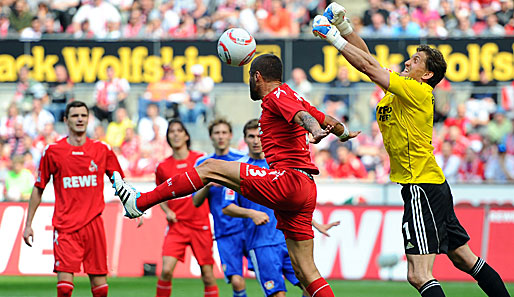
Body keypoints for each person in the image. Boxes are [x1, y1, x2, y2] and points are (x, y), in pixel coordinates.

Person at [112, 54, 360, 297]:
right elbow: (327, 119)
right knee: (306, 272)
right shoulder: (294, 96)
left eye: (250, 78)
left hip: (287, 180)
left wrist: (314, 131)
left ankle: (139, 202)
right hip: (306, 187)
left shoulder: (277, 95)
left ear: (257, 76)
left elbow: (305, 119)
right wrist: (344, 133)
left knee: (210, 166)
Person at [313, 3, 511, 297]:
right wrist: (345, 28)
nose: (408, 62)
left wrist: (333, 38)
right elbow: (369, 63)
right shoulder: (404, 90)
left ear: (427, 75)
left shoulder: (417, 91)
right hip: (431, 185)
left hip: (422, 187)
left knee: (418, 275)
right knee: (464, 259)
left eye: (416, 60)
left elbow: (368, 66)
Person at [221, 119, 339, 297]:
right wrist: (252, 213)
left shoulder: (278, 165)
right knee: (278, 295)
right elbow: (227, 207)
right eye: (251, 136)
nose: (255, 140)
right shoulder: (238, 169)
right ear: (244, 139)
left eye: (259, 136)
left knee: (310, 287)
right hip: (262, 244)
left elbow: (293, 203)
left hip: (287, 239)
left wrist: (315, 223)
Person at [23, 101, 124, 297]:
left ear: (88, 119)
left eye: (83, 116)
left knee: (101, 289)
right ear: (66, 120)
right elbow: (38, 188)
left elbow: (120, 183)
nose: (80, 119)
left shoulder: (102, 150)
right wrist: (28, 224)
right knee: (64, 289)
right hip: (66, 227)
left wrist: (136, 208)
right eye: (75, 115)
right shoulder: (53, 151)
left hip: (94, 225)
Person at [154, 119, 218, 297]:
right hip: (177, 226)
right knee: (166, 271)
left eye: (179, 130)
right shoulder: (162, 167)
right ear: (167, 137)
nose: (175, 134)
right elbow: (158, 195)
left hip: (200, 224)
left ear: (186, 135)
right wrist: (167, 212)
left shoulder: (200, 159)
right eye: (171, 131)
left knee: (207, 275)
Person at [191, 118, 248, 297]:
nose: (221, 136)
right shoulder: (204, 163)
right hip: (225, 232)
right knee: (237, 282)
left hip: (249, 227)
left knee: (270, 277)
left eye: (224, 132)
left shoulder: (242, 159)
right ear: (211, 137)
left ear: (230, 135)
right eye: (217, 133)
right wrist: (207, 185)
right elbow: (196, 201)